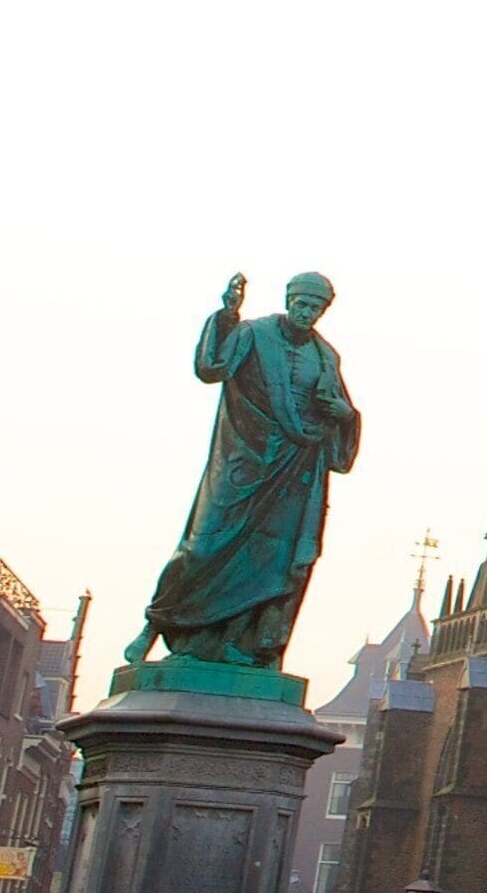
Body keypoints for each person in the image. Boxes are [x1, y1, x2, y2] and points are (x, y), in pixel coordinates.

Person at [126, 273, 361, 673]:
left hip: (295, 469)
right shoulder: (255, 334)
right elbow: (211, 367)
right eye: (301, 304)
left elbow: (338, 412)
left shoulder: (326, 357)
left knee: (274, 560)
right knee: (204, 545)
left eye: (315, 308)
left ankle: (245, 644)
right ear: (289, 301)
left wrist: (347, 416)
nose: (307, 313)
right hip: (244, 458)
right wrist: (227, 316)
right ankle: (156, 623)